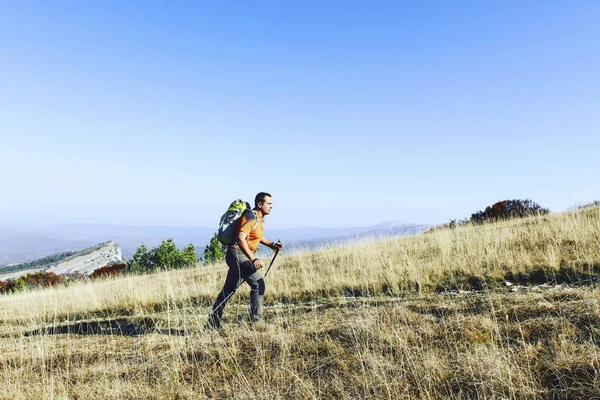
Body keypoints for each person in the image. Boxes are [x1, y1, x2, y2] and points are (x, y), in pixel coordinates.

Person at [206, 192, 284, 330]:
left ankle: (212, 322)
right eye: (269, 204)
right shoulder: (250, 217)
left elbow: (257, 236)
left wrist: (272, 245)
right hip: (236, 254)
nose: (272, 206)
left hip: (238, 254)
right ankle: (256, 324)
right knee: (258, 284)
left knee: (229, 289)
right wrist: (253, 259)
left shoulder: (260, 218)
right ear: (260, 204)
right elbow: (240, 238)